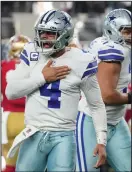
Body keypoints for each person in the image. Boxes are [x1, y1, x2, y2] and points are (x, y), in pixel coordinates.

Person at [6, 10, 107, 172]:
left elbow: (96, 104)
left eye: (50, 34)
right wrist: (42, 77)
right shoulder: (32, 52)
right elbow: (10, 92)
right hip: (33, 132)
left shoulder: (82, 60)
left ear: (65, 35)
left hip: (64, 136)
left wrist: (101, 140)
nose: (43, 37)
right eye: (41, 33)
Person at [76, 8, 131, 172]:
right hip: (90, 121)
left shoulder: (107, 44)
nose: (131, 36)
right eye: (127, 31)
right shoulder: (114, 52)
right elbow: (106, 95)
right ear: (112, 30)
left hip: (115, 121)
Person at [1, 35, 30, 172]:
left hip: (8, 118)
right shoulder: (34, 67)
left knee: (9, 163)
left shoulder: (3, 66)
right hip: (30, 118)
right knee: (31, 162)